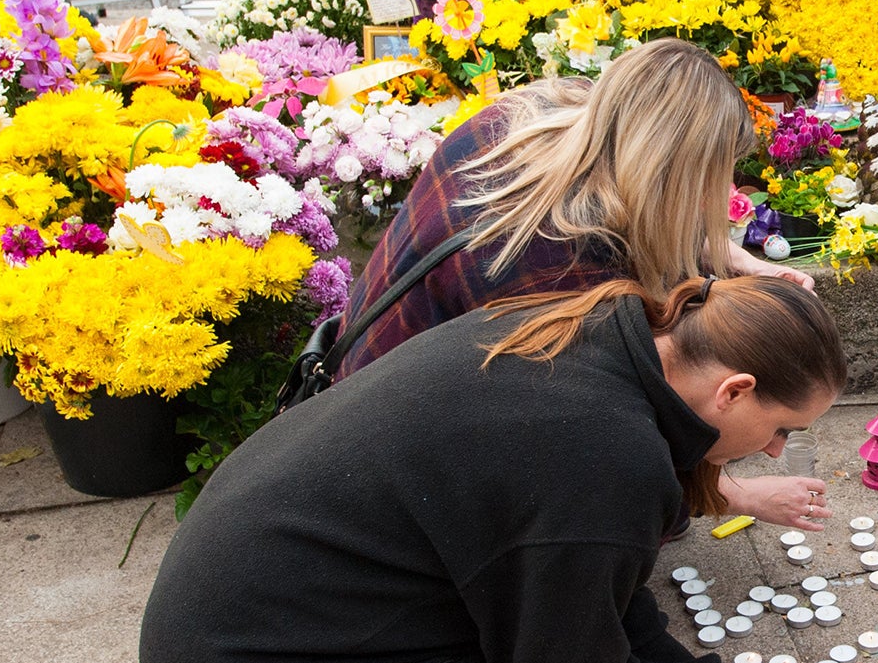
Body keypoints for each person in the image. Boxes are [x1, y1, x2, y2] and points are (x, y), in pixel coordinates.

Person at [133, 274, 849, 663]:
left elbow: (593, 586)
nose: (777, 450)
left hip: (234, 627)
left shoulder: (592, 330)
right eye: (783, 428)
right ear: (735, 390)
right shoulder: (607, 459)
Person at [336, 37, 829, 531]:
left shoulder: (530, 117)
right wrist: (729, 495)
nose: (713, 203)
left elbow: (646, 196)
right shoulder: (565, 270)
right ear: (673, 176)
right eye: (709, 180)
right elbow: (597, 443)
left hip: (349, 393)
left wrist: (733, 256)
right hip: (383, 473)